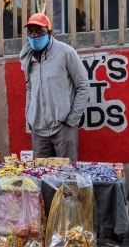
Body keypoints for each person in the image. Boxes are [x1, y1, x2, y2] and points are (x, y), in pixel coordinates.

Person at [20, 13, 89, 161]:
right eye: (30, 31)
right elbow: (30, 87)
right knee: (41, 178)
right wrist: (30, 116)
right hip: (38, 130)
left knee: (67, 177)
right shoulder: (27, 56)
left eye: (39, 31)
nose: (34, 35)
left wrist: (71, 120)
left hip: (63, 128)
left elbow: (83, 86)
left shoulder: (66, 52)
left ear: (50, 33)